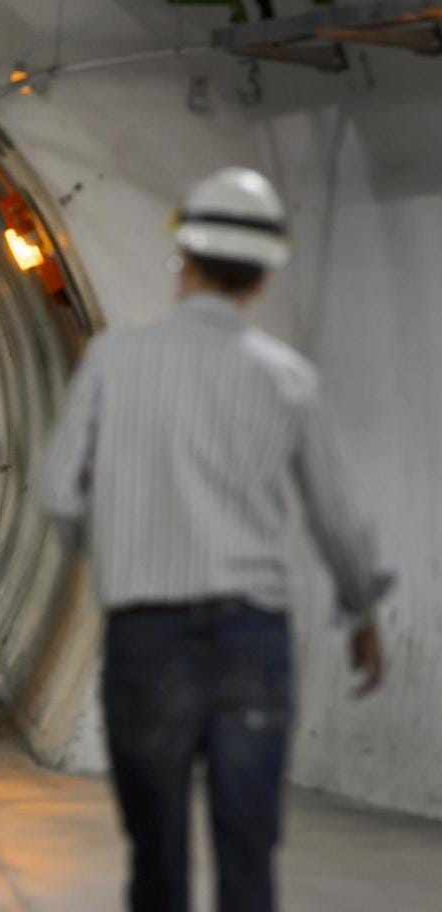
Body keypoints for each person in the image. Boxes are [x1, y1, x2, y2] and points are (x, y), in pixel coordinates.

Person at [32, 167, 392, 912]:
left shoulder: (111, 362)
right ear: (260, 279)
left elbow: (58, 489)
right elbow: (340, 516)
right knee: (247, 856)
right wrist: (361, 613)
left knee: (157, 861)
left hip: (146, 638)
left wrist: (117, 555)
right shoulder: (287, 379)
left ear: (183, 261)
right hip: (251, 644)